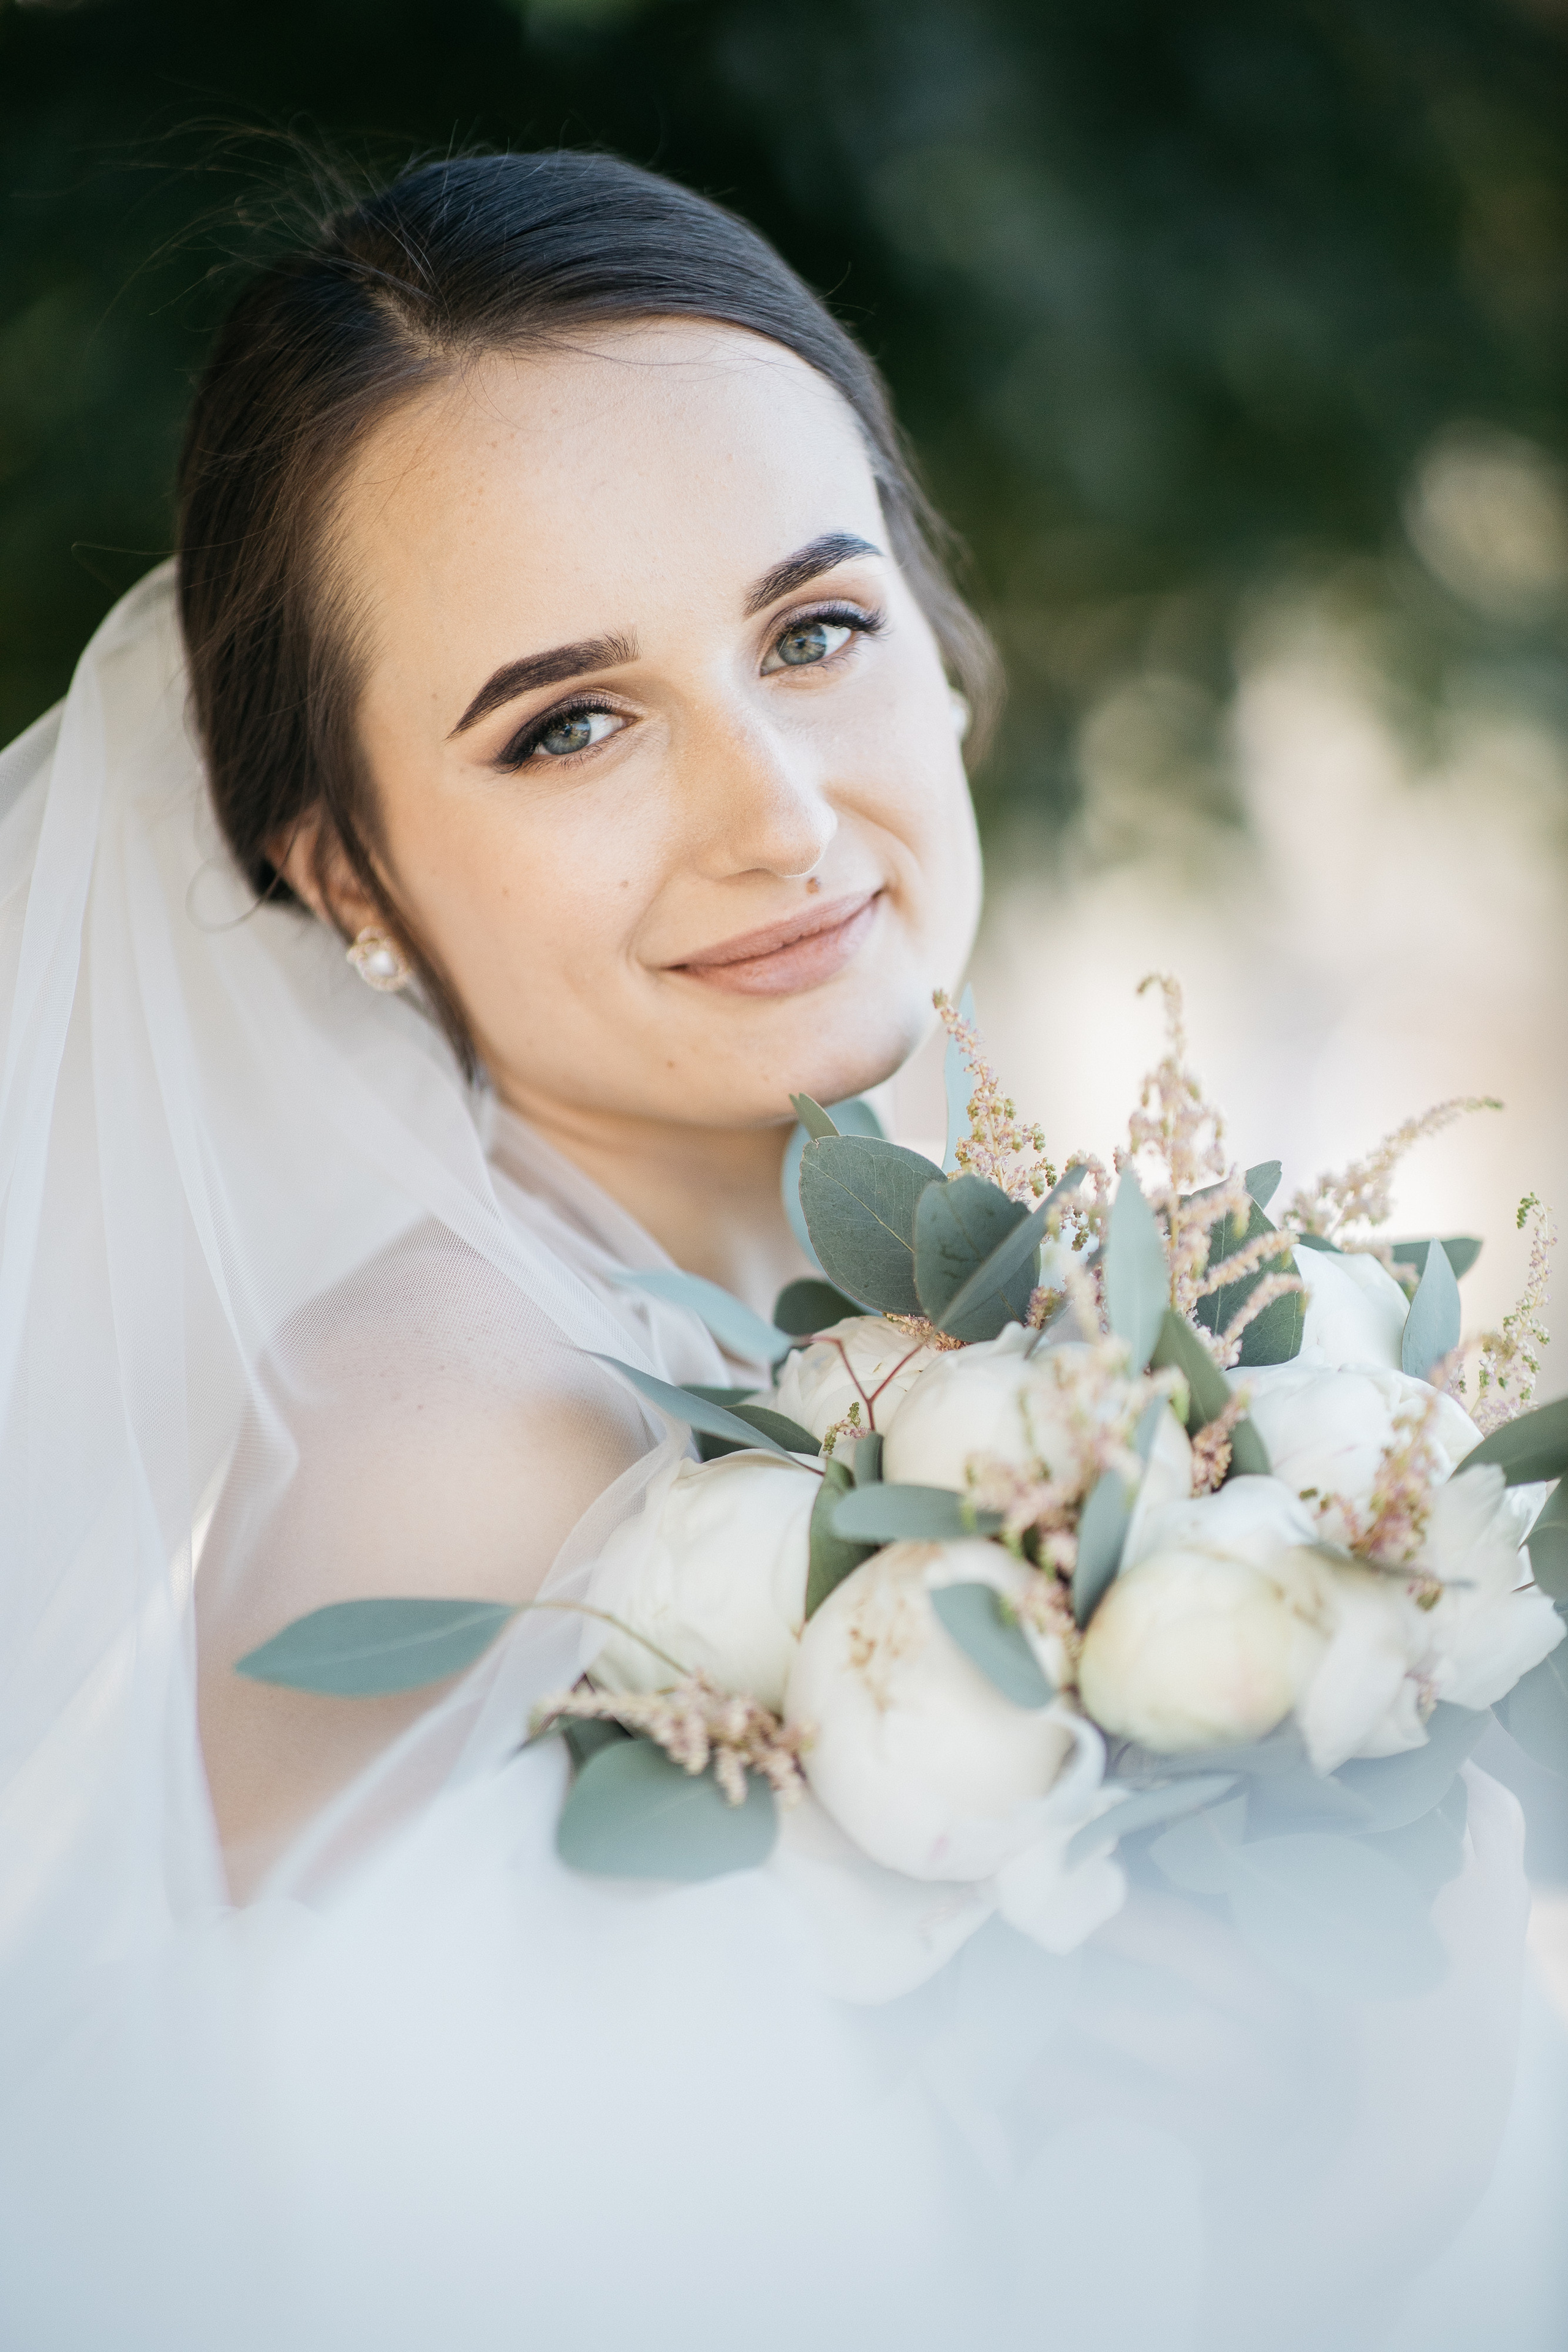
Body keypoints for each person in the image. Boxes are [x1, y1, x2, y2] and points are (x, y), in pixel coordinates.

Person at [0, 150, 1557, 2352]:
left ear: (935, 639)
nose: (781, 815)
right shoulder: (441, 1432)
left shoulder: (1029, 1326)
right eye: (571, 724)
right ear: (343, 868)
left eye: (814, 631)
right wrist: (1353, 2194)